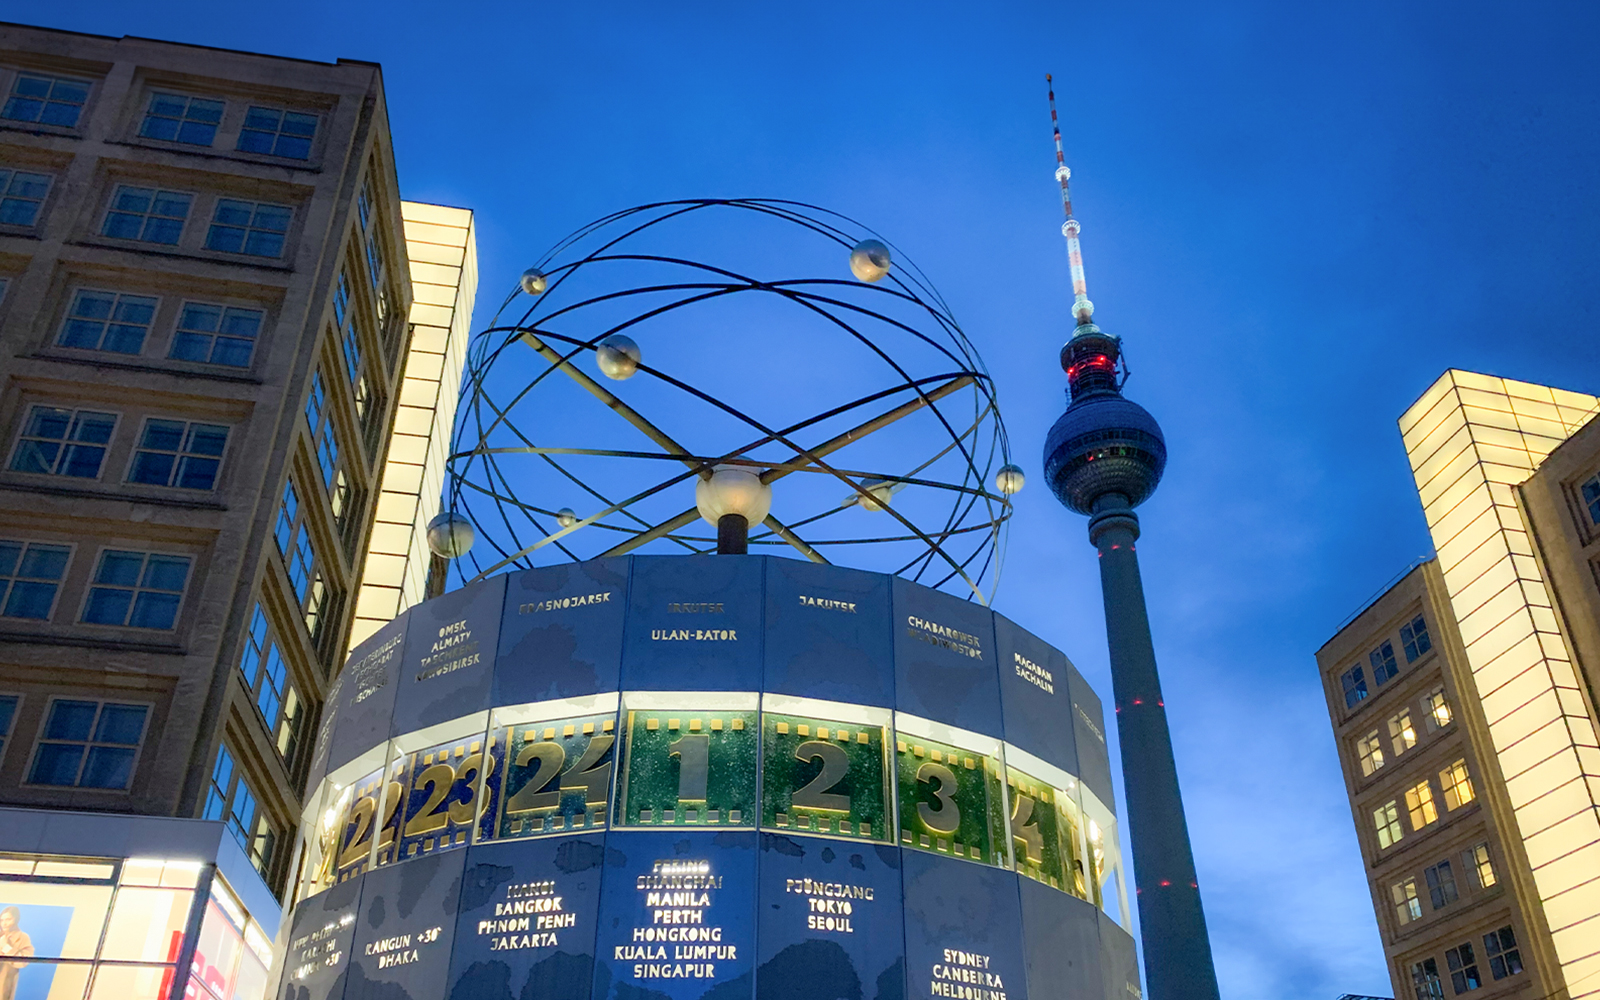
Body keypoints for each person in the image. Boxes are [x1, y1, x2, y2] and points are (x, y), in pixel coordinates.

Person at [0, 906, 33, 1000]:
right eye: (2, 920)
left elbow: (22, 962)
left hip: (5, 985)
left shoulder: (22, 937)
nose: (4, 923)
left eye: (8, 919)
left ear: (16, 919)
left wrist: (6, 947)